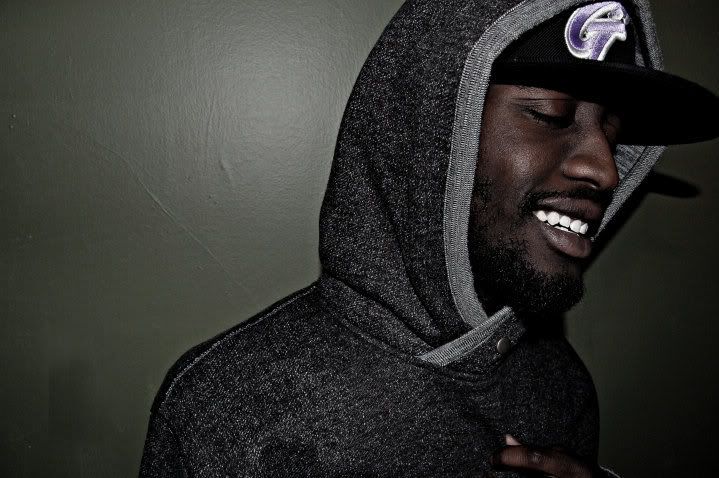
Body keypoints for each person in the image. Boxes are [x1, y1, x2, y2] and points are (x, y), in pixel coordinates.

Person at [139, 0, 719, 476]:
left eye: (613, 135)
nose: (605, 170)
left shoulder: (561, 388)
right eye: (549, 115)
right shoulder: (229, 410)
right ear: (429, 134)